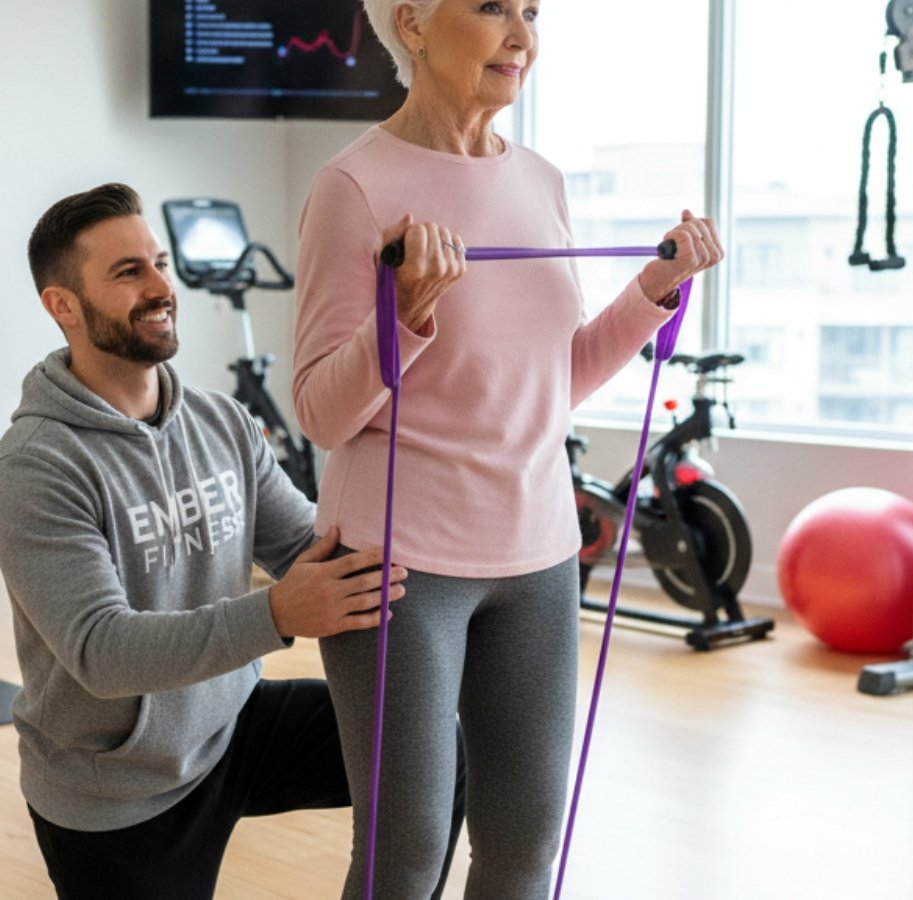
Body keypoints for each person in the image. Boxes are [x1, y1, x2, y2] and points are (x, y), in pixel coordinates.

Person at [291, 2, 726, 897]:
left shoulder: (542, 180)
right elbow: (320, 415)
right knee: (405, 859)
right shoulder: (355, 186)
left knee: (526, 853)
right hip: (397, 569)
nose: (523, 34)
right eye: (493, 7)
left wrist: (652, 291)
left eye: (533, 10)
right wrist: (406, 316)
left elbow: (549, 383)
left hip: (538, 559)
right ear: (411, 22)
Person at [0, 183, 463, 900]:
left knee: (431, 748)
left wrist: (457, 563)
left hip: (233, 726)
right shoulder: (35, 468)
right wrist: (275, 617)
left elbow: (313, 547)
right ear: (63, 307)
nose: (160, 287)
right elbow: (102, 654)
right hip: (116, 790)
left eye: (160, 263)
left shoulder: (223, 425)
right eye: (128, 272)